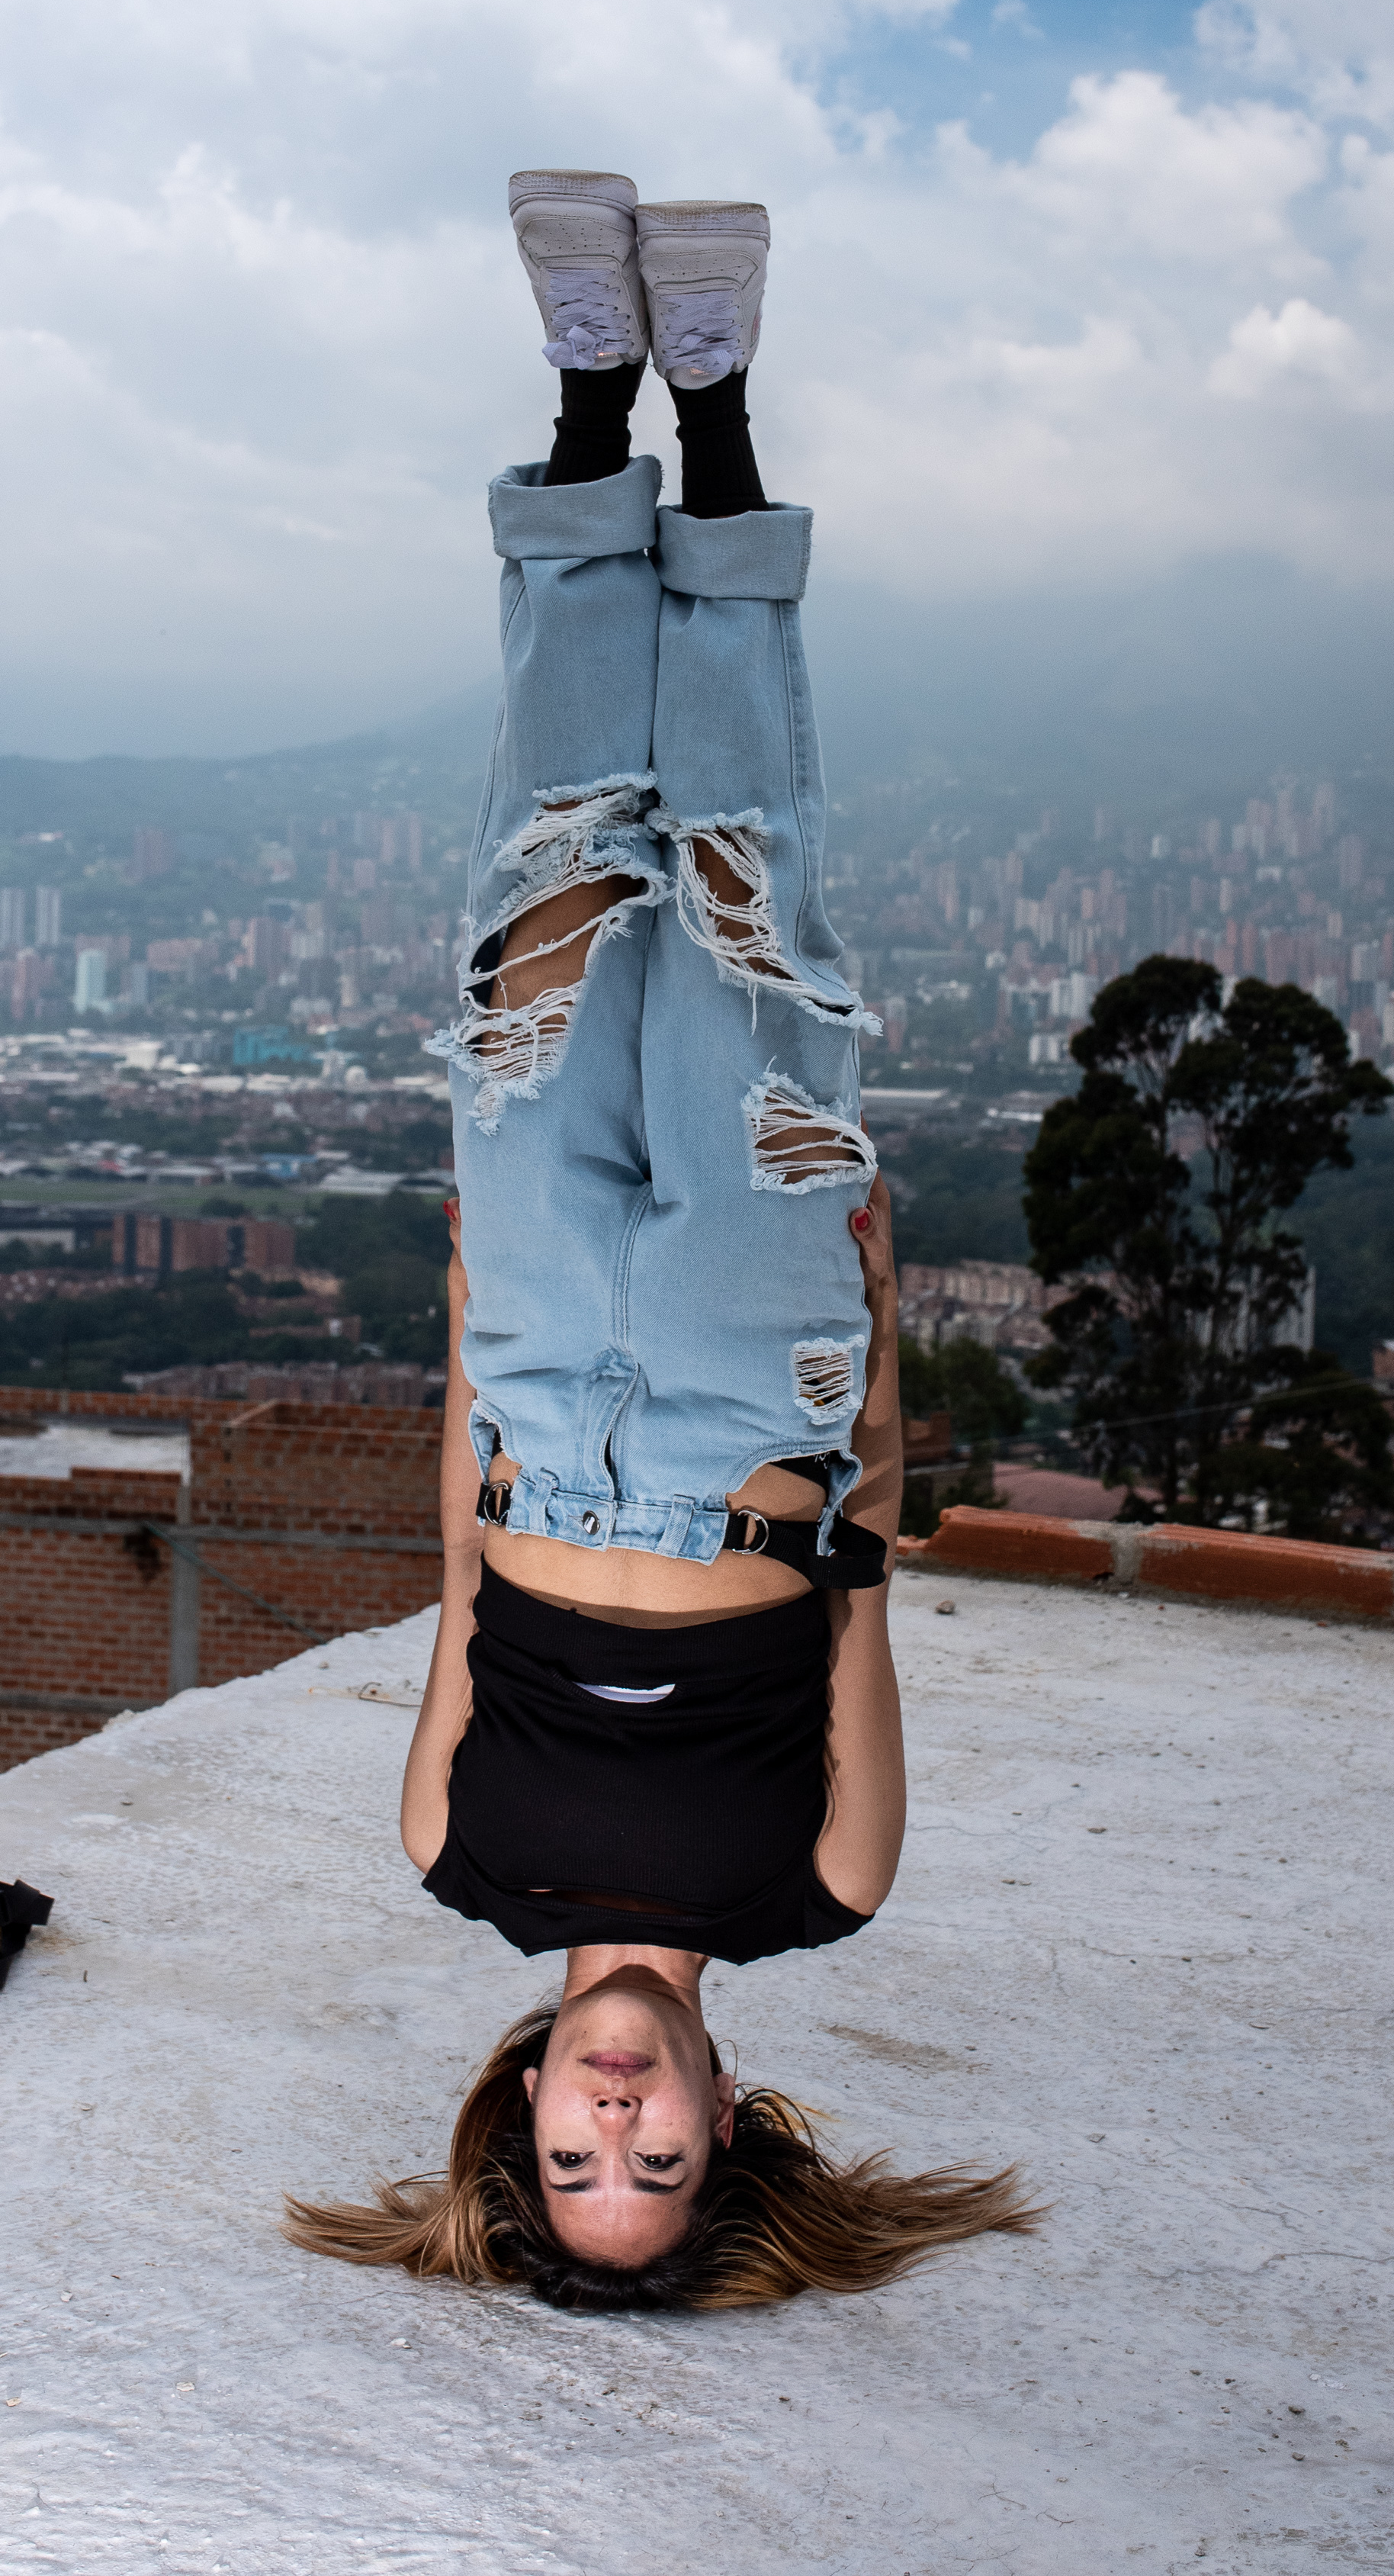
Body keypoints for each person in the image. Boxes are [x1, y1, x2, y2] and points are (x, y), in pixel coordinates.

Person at [287, 175, 1035, 2309]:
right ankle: (710, 425)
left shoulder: (455, 1861)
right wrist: (868, 1324)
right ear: (730, 2125)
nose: (617, 2124)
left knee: (535, 879)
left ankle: (584, 404)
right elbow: (865, 1571)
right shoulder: (830, 1889)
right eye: (661, 2161)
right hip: (739, 1384)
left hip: (533, 1375)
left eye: (577, 2157)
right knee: (734, 892)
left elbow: (453, 1579)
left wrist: (466, 1334)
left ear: (515, 2101)